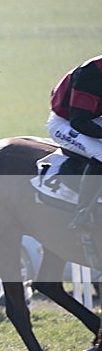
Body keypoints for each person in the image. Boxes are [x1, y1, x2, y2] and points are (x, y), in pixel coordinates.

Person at [47, 55, 102, 230]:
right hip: (66, 122)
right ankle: (83, 214)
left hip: (93, 117)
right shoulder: (93, 72)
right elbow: (79, 122)